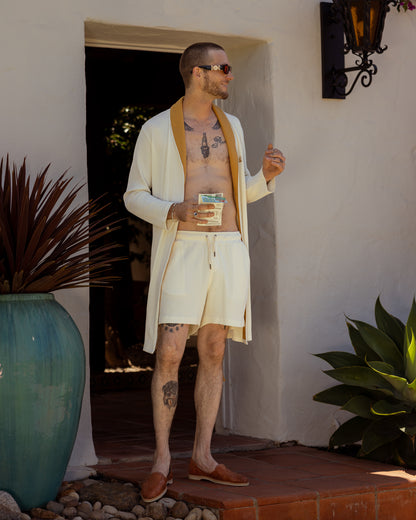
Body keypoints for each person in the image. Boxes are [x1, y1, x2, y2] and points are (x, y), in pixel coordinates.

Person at [124, 42, 286, 503]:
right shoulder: (157, 129)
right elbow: (133, 195)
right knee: (172, 351)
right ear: (198, 73)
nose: (230, 76)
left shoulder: (232, 125)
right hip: (184, 247)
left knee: (214, 348)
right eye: (224, 69)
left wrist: (266, 176)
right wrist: (173, 208)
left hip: (229, 248)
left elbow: (239, 195)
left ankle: (203, 457)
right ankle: (161, 461)